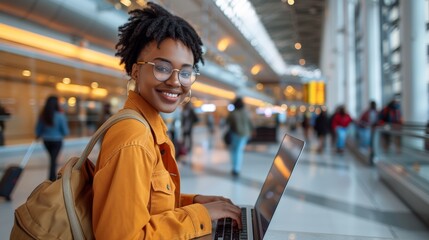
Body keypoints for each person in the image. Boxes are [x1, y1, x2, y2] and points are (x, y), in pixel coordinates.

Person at [92, 3, 242, 239]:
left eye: (185, 72)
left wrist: (195, 203)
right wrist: (200, 215)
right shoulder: (134, 137)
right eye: (162, 68)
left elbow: (146, 205)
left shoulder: (151, 127)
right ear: (135, 71)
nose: (175, 82)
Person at [35, 95, 69, 181]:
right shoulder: (60, 116)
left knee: (52, 158)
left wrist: (38, 135)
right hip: (57, 140)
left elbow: (38, 128)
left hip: (46, 141)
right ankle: (52, 177)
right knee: (53, 159)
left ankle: (51, 177)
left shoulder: (43, 115)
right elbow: (65, 131)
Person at [226, 97, 253, 177]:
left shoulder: (233, 113)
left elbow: (228, 122)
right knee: (239, 150)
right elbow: (250, 123)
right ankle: (236, 168)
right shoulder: (246, 112)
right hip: (244, 134)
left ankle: (235, 168)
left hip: (235, 134)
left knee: (234, 151)